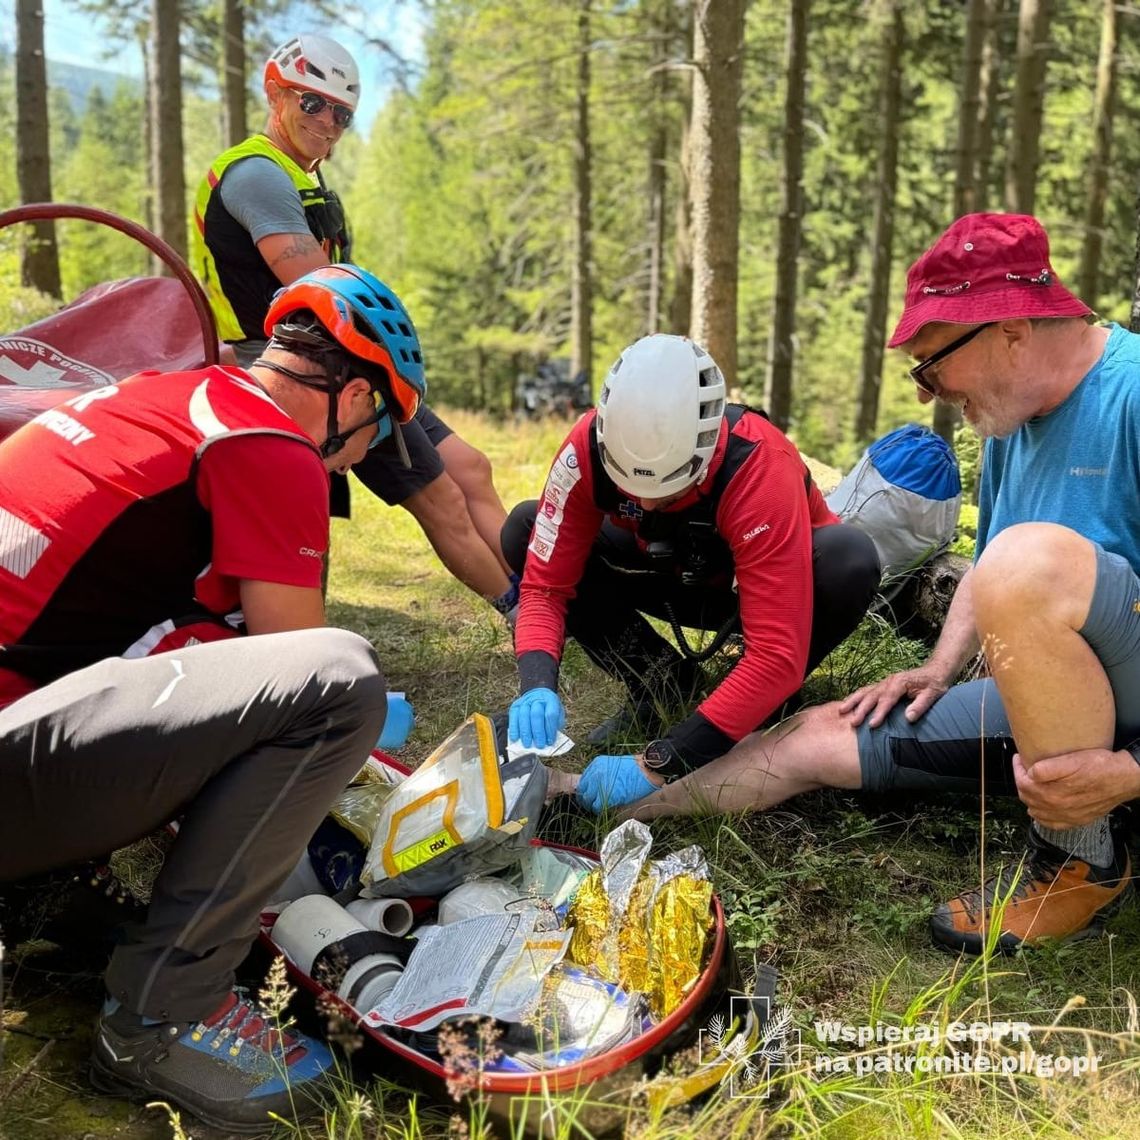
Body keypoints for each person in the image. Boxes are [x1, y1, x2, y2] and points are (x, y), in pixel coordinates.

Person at [628, 213, 1139, 956]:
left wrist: (1124, 774)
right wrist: (936, 668)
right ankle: (627, 805)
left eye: (932, 364)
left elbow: (1015, 570)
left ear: (1009, 331)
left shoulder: (1130, 396)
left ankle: (1081, 854)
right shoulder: (1012, 423)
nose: (933, 391)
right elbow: (988, 572)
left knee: (1032, 561)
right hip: (1055, 705)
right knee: (818, 734)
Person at [0, 264, 427, 1132]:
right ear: (350, 397)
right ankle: (162, 1014)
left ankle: (40, 893)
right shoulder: (269, 445)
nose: (360, 452)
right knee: (340, 682)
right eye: (375, 428)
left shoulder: (162, 396)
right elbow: (292, 664)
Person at [189, 33, 518, 619]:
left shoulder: (301, 174)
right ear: (275, 91)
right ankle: (526, 622)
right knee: (440, 498)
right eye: (311, 103)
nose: (327, 122)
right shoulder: (258, 174)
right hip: (309, 374)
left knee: (471, 468)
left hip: (351, 358)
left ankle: (547, 604)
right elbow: (322, 292)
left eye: (341, 113)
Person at [502, 333, 881, 813]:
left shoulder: (759, 464)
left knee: (849, 557)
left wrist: (657, 763)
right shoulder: (585, 449)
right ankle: (660, 680)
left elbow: (776, 654)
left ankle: (768, 714)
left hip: (759, 593)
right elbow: (544, 588)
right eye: (628, 485)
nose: (643, 503)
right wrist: (537, 682)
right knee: (524, 526)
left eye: (667, 489)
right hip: (665, 570)